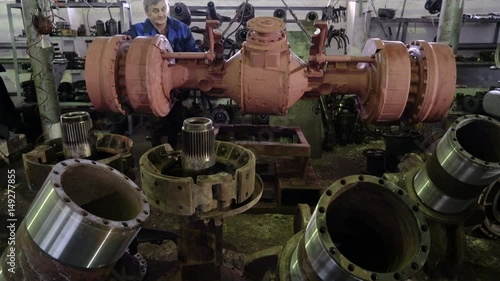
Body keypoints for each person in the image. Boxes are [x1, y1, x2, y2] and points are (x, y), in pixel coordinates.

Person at [125, 0, 200, 148]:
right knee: (157, 122)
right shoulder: (137, 32)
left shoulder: (182, 29)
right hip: (152, 87)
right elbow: (124, 47)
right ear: (147, 13)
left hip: (179, 87)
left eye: (163, 9)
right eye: (155, 11)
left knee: (177, 120)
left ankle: (173, 149)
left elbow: (195, 54)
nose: (161, 14)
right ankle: (156, 152)